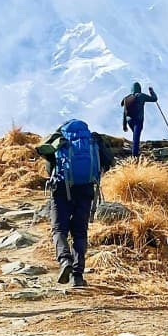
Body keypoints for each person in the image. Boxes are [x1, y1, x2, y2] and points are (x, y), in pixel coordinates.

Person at [36, 120, 115, 289]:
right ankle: (77, 276)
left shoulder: (59, 140)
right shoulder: (93, 140)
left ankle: (65, 261)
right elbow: (109, 162)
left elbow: (49, 167)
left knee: (59, 230)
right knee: (79, 232)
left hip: (61, 190)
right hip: (86, 190)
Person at [119, 82, 158, 157]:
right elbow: (154, 99)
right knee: (136, 138)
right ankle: (135, 156)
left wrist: (124, 125)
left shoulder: (126, 98)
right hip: (138, 120)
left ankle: (135, 150)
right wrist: (151, 92)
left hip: (129, 121)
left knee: (135, 136)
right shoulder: (141, 96)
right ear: (139, 88)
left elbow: (124, 113)